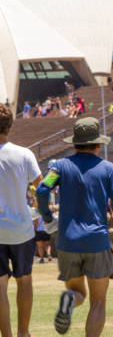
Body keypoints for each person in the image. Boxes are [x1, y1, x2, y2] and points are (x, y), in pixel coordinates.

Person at [36, 116, 113, 335]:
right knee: (98, 302)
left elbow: (41, 190)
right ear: (99, 144)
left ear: (74, 143)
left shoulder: (59, 167)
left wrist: (48, 219)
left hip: (67, 241)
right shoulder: (108, 169)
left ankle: (69, 299)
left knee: (78, 292)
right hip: (97, 242)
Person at [0, 102, 42, 337]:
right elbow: (43, 186)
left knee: (0, 287)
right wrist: (37, 209)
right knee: (24, 280)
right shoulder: (24, 154)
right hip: (21, 229)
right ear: (10, 126)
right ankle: (23, 333)